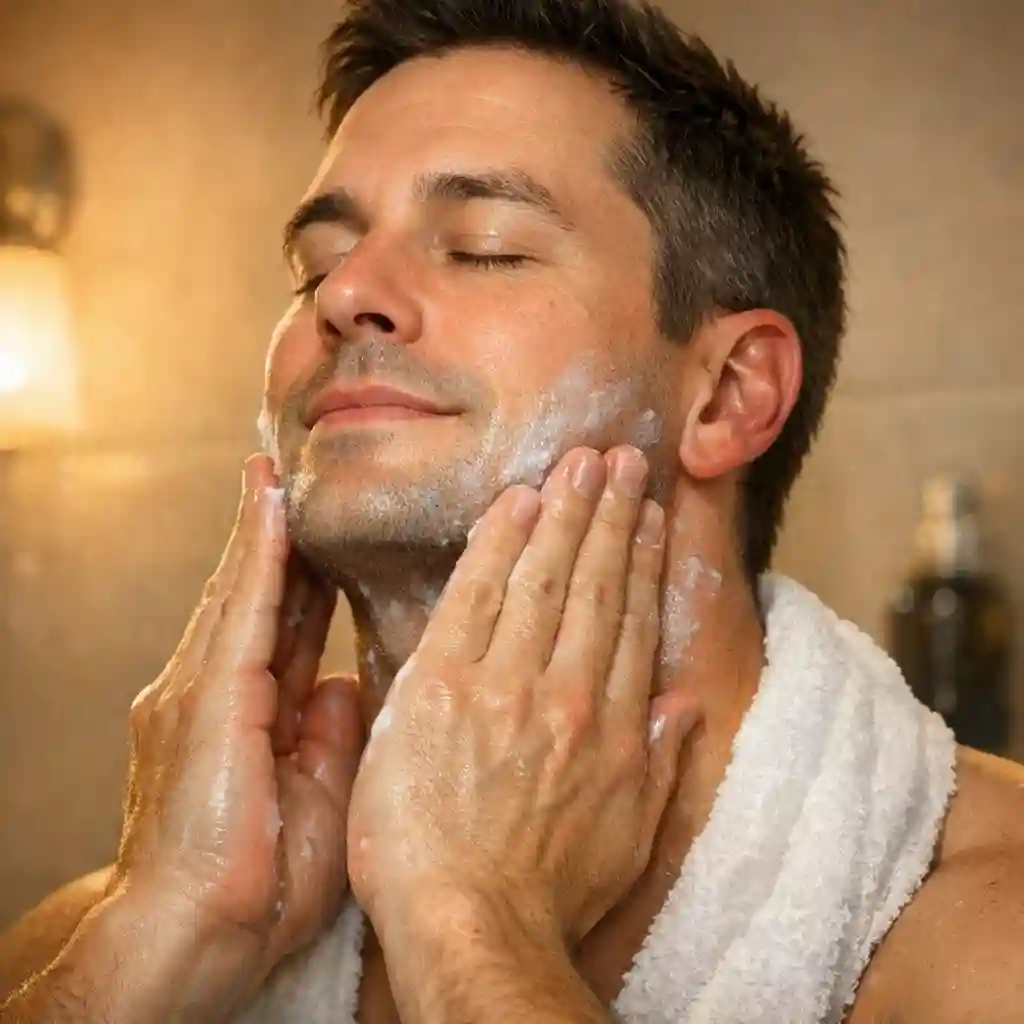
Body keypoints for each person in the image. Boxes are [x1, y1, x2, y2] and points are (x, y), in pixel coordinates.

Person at [3, 0, 1024, 1021]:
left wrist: (470, 921)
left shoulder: (982, 938)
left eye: (484, 245)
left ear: (727, 393)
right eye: (313, 265)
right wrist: (168, 931)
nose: (345, 292)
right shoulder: (94, 957)